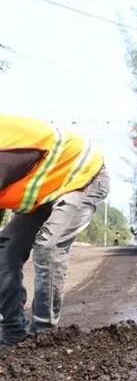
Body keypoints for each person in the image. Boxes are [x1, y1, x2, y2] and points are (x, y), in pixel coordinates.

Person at [0, 115, 109, 348]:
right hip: (46, 190)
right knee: (5, 249)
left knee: (48, 246)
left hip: (81, 175)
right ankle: (14, 331)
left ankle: (44, 335)